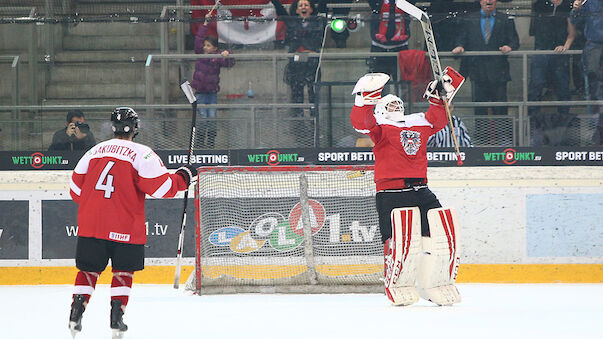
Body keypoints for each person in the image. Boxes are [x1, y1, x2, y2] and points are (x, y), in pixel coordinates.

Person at [67, 107, 197, 337]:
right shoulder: (142, 153)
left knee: (88, 270)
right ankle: (116, 318)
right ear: (135, 128)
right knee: (123, 271)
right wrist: (184, 177)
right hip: (124, 225)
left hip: (91, 224)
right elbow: (162, 188)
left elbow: (76, 190)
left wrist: (95, 204)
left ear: (112, 127)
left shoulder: (95, 151)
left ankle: (76, 313)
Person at [350, 71, 462, 306]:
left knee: (439, 235)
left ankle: (433, 282)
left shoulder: (417, 122)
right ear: (380, 109)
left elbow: (438, 119)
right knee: (399, 243)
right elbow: (361, 122)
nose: (395, 106)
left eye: (397, 103)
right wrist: (365, 99)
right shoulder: (379, 126)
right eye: (389, 104)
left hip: (421, 190)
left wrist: (441, 96)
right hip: (391, 192)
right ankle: (396, 283)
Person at [271, 0, 326, 145]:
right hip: (296, 64)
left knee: (314, 96)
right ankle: (299, 134)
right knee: (297, 97)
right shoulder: (292, 22)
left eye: (306, 5)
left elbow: (323, 6)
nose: (303, 7)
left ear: (311, 9)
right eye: (300, 5)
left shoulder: (317, 22)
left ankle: (316, 133)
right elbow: (281, 10)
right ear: (296, 9)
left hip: (312, 62)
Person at [452, 0, 520, 116]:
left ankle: (503, 134)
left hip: (498, 71)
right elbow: (462, 37)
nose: (488, 1)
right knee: (479, 109)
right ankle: (480, 135)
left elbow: (515, 40)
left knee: (500, 109)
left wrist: (509, 47)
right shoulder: (469, 19)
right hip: (477, 71)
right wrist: (459, 46)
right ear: (480, 1)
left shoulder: (505, 19)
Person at [528, 0, 575, 146]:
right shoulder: (539, 4)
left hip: (559, 55)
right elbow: (533, 31)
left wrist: (565, 46)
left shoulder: (568, 6)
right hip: (541, 52)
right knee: (535, 89)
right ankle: (535, 132)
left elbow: (572, 33)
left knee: (563, 91)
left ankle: (563, 133)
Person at [192, 18, 235, 149]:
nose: (205, 47)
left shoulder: (217, 57)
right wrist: (205, 24)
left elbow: (230, 63)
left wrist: (228, 54)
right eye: (205, 45)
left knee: (212, 118)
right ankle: (199, 144)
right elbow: (198, 40)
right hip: (200, 93)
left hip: (211, 93)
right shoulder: (200, 54)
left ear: (215, 48)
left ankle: (210, 144)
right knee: (203, 118)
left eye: (208, 46)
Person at [570, 0, 603, 145]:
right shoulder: (590, 2)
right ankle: (595, 129)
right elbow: (576, 21)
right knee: (592, 87)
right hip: (594, 46)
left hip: (594, 47)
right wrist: (576, 10)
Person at [367, 0, 411, 81]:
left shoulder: (405, 2)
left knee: (403, 82)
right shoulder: (378, 3)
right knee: (378, 82)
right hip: (378, 48)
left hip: (401, 47)